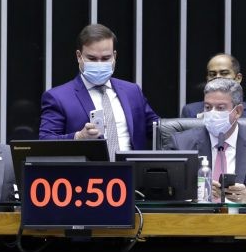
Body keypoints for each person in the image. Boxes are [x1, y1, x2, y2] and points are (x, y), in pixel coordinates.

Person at [39, 24, 159, 158]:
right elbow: (45, 142)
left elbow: (158, 130)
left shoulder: (132, 91)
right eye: (92, 58)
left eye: (106, 58)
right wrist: (78, 137)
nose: (99, 64)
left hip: (133, 173)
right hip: (89, 176)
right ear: (79, 56)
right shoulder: (58, 97)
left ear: (114, 56)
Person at [166, 78, 246, 203]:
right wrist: (195, 193)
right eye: (208, 107)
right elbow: (164, 192)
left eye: (220, 108)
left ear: (237, 111)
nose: (212, 113)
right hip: (195, 220)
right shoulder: (181, 143)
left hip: (244, 220)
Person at [181, 53, 246, 119]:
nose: (218, 77)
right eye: (212, 74)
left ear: (238, 78)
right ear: (207, 79)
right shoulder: (190, 111)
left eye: (224, 73)